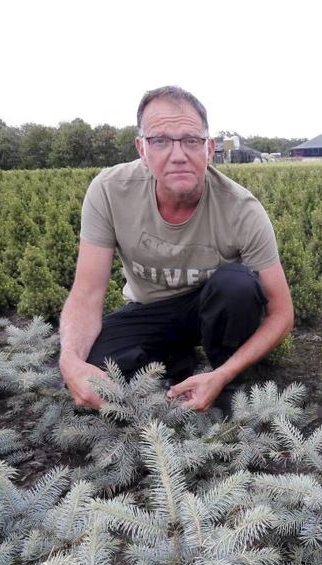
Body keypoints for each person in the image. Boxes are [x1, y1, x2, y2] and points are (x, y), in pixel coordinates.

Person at [59, 86, 293, 412]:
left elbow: (282, 313)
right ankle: (174, 361)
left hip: (209, 309)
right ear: (142, 148)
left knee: (237, 286)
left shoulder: (242, 209)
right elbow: (86, 293)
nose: (178, 154)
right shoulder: (110, 191)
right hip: (148, 311)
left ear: (209, 149)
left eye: (191, 140)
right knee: (95, 376)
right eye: (161, 141)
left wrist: (224, 373)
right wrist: (70, 363)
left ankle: (225, 386)